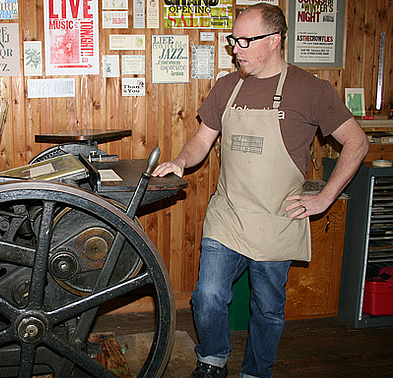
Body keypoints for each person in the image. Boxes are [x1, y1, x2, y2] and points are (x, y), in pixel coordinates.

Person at [152, 3, 369, 378]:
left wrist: (324, 197)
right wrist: (181, 161)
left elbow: (357, 142)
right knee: (207, 297)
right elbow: (201, 141)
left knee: (267, 308)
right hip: (230, 215)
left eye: (244, 41)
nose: (235, 48)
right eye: (233, 39)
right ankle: (213, 359)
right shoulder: (226, 86)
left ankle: (256, 371)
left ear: (274, 41)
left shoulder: (311, 90)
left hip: (277, 218)